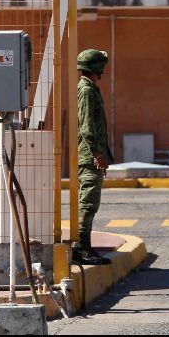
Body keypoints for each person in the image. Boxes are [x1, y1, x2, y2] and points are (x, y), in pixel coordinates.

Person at [74, 49, 114, 266]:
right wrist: (97, 154)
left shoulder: (89, 88)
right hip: (90, 155)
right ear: (97, 68)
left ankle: (85, 245)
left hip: (92, 154)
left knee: (91, 200)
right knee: (88, 201)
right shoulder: (86, 90)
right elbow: (86, 126)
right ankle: (81, 247)